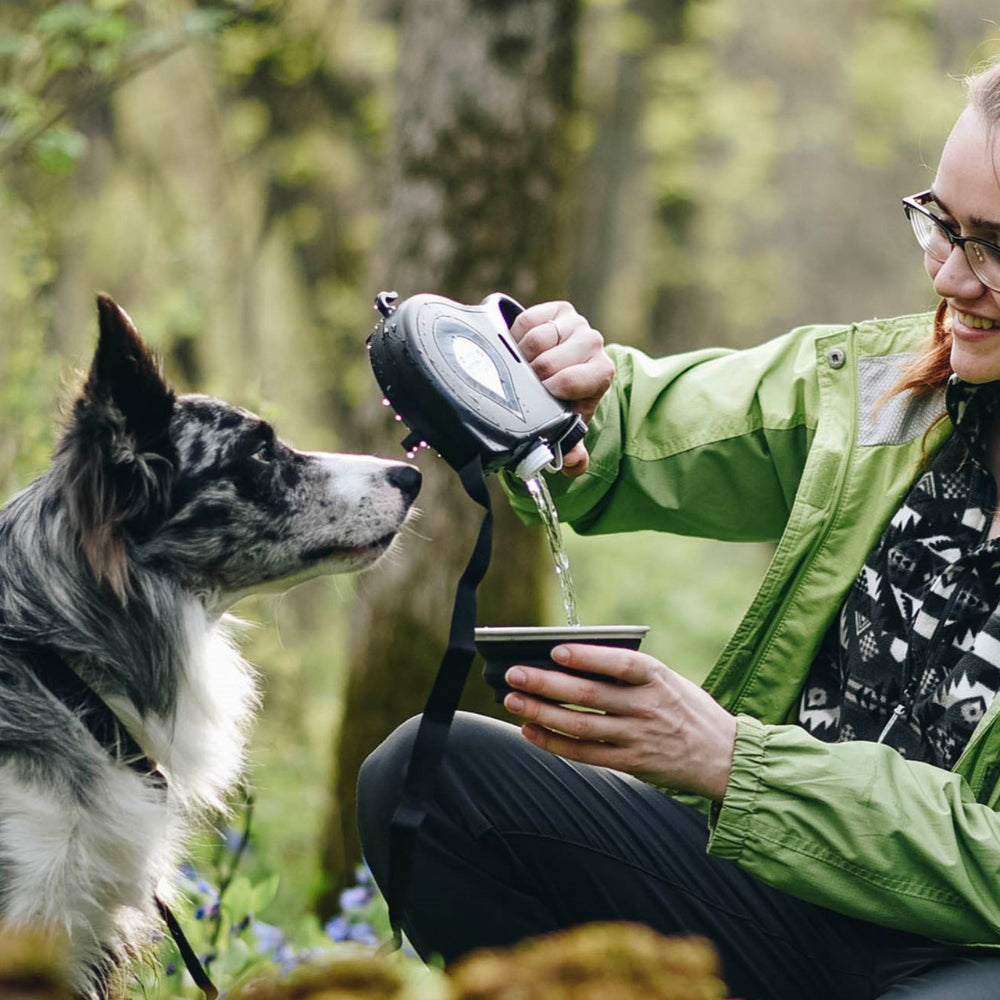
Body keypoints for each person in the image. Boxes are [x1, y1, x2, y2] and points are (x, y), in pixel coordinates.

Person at [358, 58, 1000, 1000]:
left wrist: (731, 759)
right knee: (427, 775)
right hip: (775, 891)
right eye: (941, 223)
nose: (948, 274)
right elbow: (658, 423)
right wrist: (552, 390)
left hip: (964, 956)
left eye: (993, 245)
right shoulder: (894, 384)